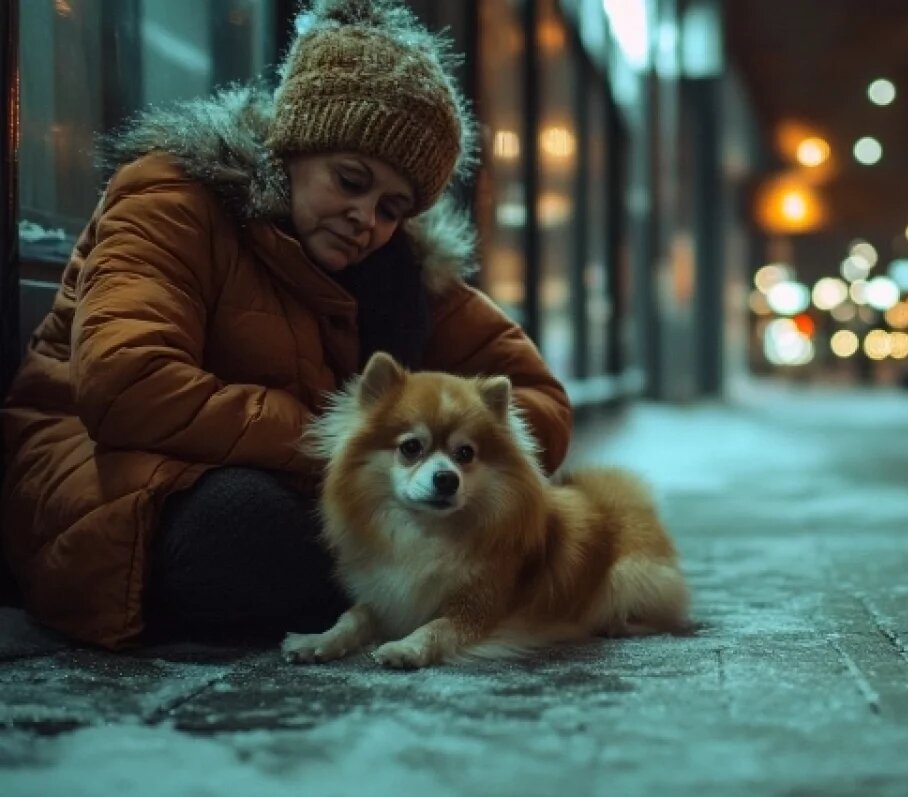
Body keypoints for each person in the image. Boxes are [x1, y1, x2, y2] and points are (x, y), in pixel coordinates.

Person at [0, 0, 572, 650]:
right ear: (297, 143)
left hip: (267, 484)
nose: (366, 219)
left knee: (473, 512)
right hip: (106, 480)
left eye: (392, 207)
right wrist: (334, 440)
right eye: (350, 180)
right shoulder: (170, 197)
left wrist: (480, 461)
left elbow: (539, 399)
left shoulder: (395, 270)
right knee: (250, 526)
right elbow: (127, 381)